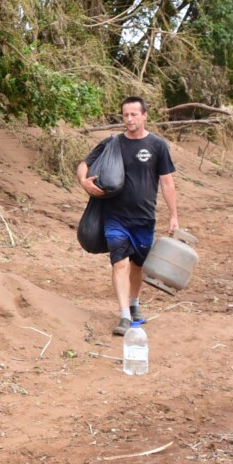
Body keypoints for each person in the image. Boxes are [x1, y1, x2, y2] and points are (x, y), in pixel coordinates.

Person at [76, 96, 180, 335]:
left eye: (134, 114)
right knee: (120, 262)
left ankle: (134, 304)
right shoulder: (112, 143)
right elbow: (84, 164)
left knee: (137, 265)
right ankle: (124, 316)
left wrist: (173, 215)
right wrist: (84, 182)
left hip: (144, 218)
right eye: (126, 115)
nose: (130, 119)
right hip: (115, 216)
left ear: (144, 116)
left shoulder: (158, 146)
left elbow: (166, 182)